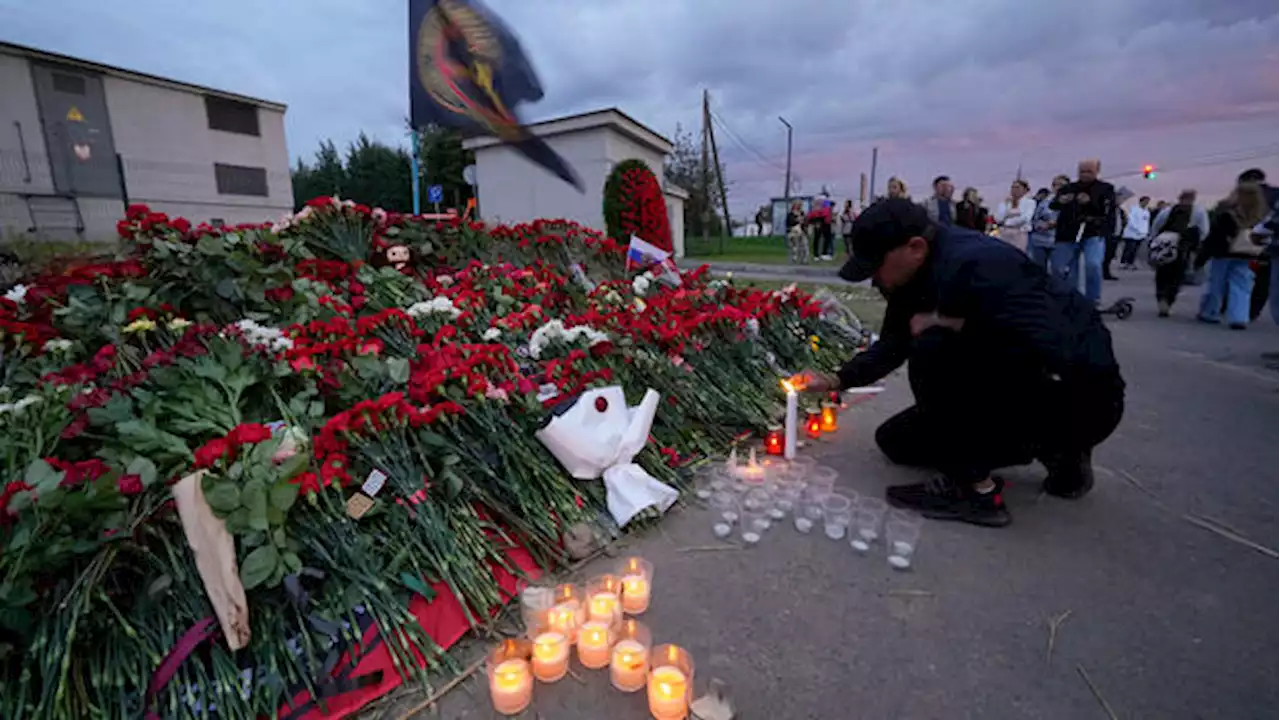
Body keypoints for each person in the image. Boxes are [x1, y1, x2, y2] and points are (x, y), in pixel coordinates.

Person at [791, 199, 1124, 528]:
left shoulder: (982, 264)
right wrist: (836, 379)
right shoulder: (913, 277)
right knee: (897, 441)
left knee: (934, 346)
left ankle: (977, 490)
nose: (875, 280)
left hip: (1077, 398)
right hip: (1023, 390)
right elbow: (894, 343)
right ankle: (1057, 452)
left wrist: (956, 325)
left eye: (877, 267)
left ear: (915, 247)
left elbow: (1052, 348)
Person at [1196, 178, 1270, 329]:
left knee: (1217, 283)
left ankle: (1211, 312)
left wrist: (1202, 256)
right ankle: (1239, 317)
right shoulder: (1261, 215)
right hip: (1248, 253)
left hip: (1223, 252)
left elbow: (1214, 236)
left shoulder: (1227, 212)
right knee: (1242, 285)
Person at [1051, 159, 1118, 305]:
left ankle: (1093, 299)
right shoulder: (1068, 188)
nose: (1085, 175)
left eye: (1089, 171)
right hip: (1068, 233)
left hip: (1093, 232)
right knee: (1061, 267)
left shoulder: (1105, 188)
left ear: (1097, 172)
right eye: (1082, 171)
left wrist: (1090, 202)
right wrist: (1062, 201)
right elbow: (1054, 204)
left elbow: (1108, 211)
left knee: (1093, 264)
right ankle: (1069, 297)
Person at [1148, 189, 1210, 317]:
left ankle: (1161, 299)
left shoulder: (1167, 211)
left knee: (1162, 274)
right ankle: (1169, 300)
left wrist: (1153, 241)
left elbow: (1156, 227)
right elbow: (1204, 230)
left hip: (1165, 246)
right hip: (1183, 247)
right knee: (1177, 276)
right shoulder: (1198, 212)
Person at [1029, 176, 1068, 269]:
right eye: (1055, 184)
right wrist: (1040, 225)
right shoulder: (1043, 202)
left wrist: (1057, 223)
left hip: (1059, 241)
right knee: (1039, 269)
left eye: (1061, 185)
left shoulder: (1070, 202)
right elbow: (1034, 218)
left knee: (1058, 269)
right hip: (1040, 239)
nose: (1057, 187)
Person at [994, 179, 1037, 253]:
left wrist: (1007, 222)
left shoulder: (1030, 202)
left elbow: (1025, 218)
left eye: (1017, 188)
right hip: (1004, 233)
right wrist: (1007, 209)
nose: (1014, 190)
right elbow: (998, 218)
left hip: (1020, 233)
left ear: (1025, 190)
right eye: (1013, 187)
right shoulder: (1005, 203)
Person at [1120, 196, 1152, 270]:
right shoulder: (1134, 210)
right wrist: (1137, 229)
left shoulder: (1146, 212)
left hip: (1141, 234)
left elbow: (1146, 223)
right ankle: (1123, 262)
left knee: (1135, 250)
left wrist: (1145, 232)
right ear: (1141, 201)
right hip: (1131, 233)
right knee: (1129, 249)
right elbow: (1131, 221)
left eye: (1147, 202)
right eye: (1145, 201)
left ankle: (1130, 263)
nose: (1146, 203)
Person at [785, 200, 809, 265]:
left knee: (804, 246)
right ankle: (794, 259)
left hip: (802, 232)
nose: (799, 206)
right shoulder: (790, 214)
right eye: (798, 205)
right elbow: (789, 223)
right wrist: (797, 220)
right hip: (793, 232)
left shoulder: (802, 213)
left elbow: (805, 222)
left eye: (800, 205)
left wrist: (803, 222)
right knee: (794, 246)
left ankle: (804, 259)